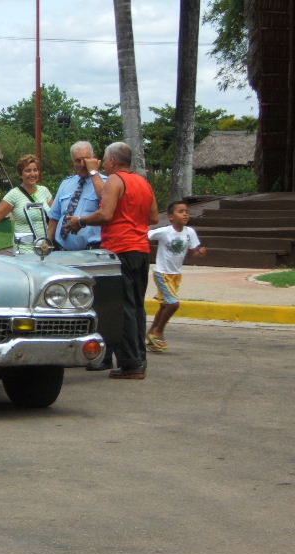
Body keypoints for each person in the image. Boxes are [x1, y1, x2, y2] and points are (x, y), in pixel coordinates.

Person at [67, 141, 159, 380]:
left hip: (121, 248)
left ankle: (130, 364)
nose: (103, 164)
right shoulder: (143, 182)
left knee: (122, 308)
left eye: (105, 160)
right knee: (137, 306)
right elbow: (153, 217)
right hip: (141, 249)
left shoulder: (116, 180)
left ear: (113, 161)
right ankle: (139, 359)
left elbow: (106, 214)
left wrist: (81, 221)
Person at [146, 200, 207, 351]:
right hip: (162, 273)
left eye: (186, 212)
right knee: (173, 304)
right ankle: (159, 331)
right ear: (171, 217)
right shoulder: (165, 231)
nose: (185, 214)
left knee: (165, 305)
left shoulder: (190, 232)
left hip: (176, 275)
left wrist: (200, 253)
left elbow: (193, 253)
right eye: (181, 212)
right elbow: (146, 235)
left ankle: (151, 334)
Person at [0, 154, 52, 244]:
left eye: (35, 170)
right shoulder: (13, 194)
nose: (32, 174)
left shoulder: (44, 191)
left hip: (44, 246)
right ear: (21, 174)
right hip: (24, 247)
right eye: (28, 171)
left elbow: (55, 216)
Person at [47, 141, 106, 250]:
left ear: (94, 159)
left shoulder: (105, 183)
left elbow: (106, 200)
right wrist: (47, 245)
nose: (83, 164)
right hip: (62, 250)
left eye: (86, 159)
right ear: (72, 162)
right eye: (78, 160)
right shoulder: (66, 184)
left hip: (92, 251)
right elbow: (54, 218)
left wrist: (93, 172)